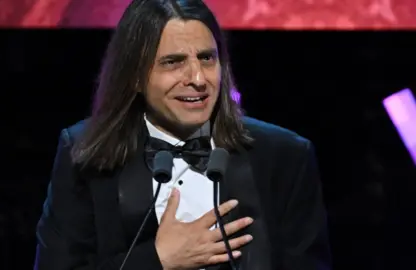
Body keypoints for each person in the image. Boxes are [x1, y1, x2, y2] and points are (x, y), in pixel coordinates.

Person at [34, 0, 332, 269]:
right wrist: (158, 259)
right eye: (173, 62)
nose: (198, 79)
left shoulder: (285, 156)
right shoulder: (85, 152)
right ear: (135, 75)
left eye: (206, 58)